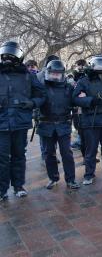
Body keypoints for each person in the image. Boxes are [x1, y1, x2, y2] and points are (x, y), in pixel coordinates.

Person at [0, 41, 46, 200]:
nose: (7, 59)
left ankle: (18, 185)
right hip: (1, 123)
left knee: (19, 155)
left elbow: (42, 94)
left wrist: (33, 103)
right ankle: (2, 189)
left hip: (20, 122)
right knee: (2, 158)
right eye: (5, 56)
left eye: (10, 56)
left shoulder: (28, 75)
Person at [72, 55, 102, 185]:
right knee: (91, 148)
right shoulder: (84, 81)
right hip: (91, 120)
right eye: (97, 63)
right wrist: (90, 100)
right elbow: (75, 98)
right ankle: (89, 173)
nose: (100, 66)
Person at [37, 60, 79, 189]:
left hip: (63, 125)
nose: (55, 76)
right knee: (49, 154)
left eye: (57, 74)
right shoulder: (42, 87)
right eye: (53, 73)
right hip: (46, 124)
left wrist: (83, 99)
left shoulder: (69, 88)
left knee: (66, 153)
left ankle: (70, 179)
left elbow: (75, 102)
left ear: (62, 74)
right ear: (48, 73)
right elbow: (36, 101)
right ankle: (53, 178)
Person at [70, 59, 87, 152]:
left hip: (84, 104)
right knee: (76, 124)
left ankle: (81, 142)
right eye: (78, 65)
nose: (79, 67)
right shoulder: (74, 75)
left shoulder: (87, 75)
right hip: (75, 104)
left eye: (81, 65)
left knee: (82, 125)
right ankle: (79, 141)